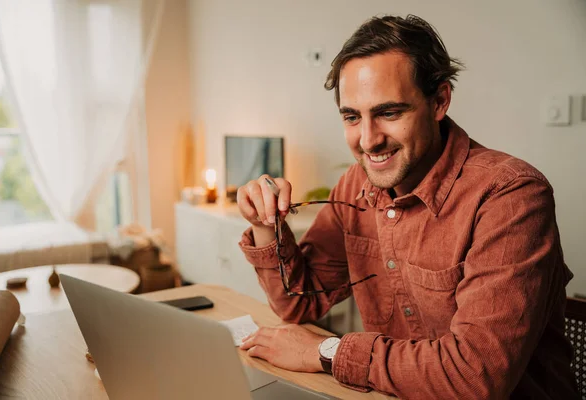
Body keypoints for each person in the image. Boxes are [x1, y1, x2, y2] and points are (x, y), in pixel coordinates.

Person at [237, 14, 578, 399]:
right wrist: (264, 221)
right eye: (352, 117)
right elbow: (298, 302)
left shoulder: (510, 196)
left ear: (439, 101)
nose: (368, 141)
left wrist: (324, 351)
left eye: (388, 113)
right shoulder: (356, 183)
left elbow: (475, 376)